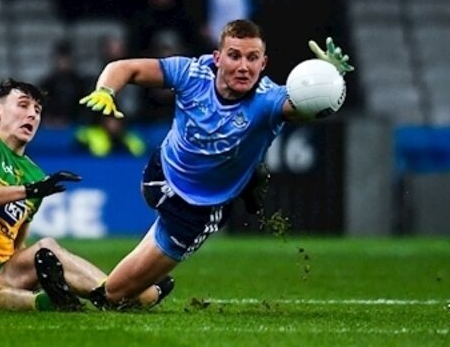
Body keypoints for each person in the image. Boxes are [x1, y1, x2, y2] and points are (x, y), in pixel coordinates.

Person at [79, 19, 354, 308]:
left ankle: (61, 262)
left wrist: (330, 81)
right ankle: (247, 180)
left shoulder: (269, 100)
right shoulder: (190, 73)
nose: (244, 67)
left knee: (113, 295)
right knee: (116, 294)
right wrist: (105, 90)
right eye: (234, 56)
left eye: (252, 58)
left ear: (263, 63)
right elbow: (124, 68)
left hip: (196, 210)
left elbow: (308, 108)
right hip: (159, 176)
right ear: (217, 58)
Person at [0, 79, 173, 311]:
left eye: (37, 110)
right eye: (23, 105)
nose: (32, 115)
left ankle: (115, 292)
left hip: (0, 266)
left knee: (47, 246)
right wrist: (26, 191)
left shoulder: (34, 174)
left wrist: (33, 269)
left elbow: (15, 244)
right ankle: (47, 303)